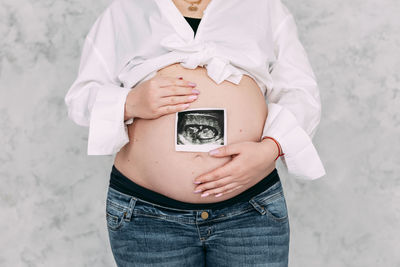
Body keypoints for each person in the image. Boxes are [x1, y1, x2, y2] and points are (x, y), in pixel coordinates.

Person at [65, 0, 326, 266]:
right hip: (147, 214)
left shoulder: (264, 8)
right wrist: (130, 102)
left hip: (250, 208)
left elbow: (301, 91)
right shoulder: (125, 11)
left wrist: (271, 148)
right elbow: (81, 98)